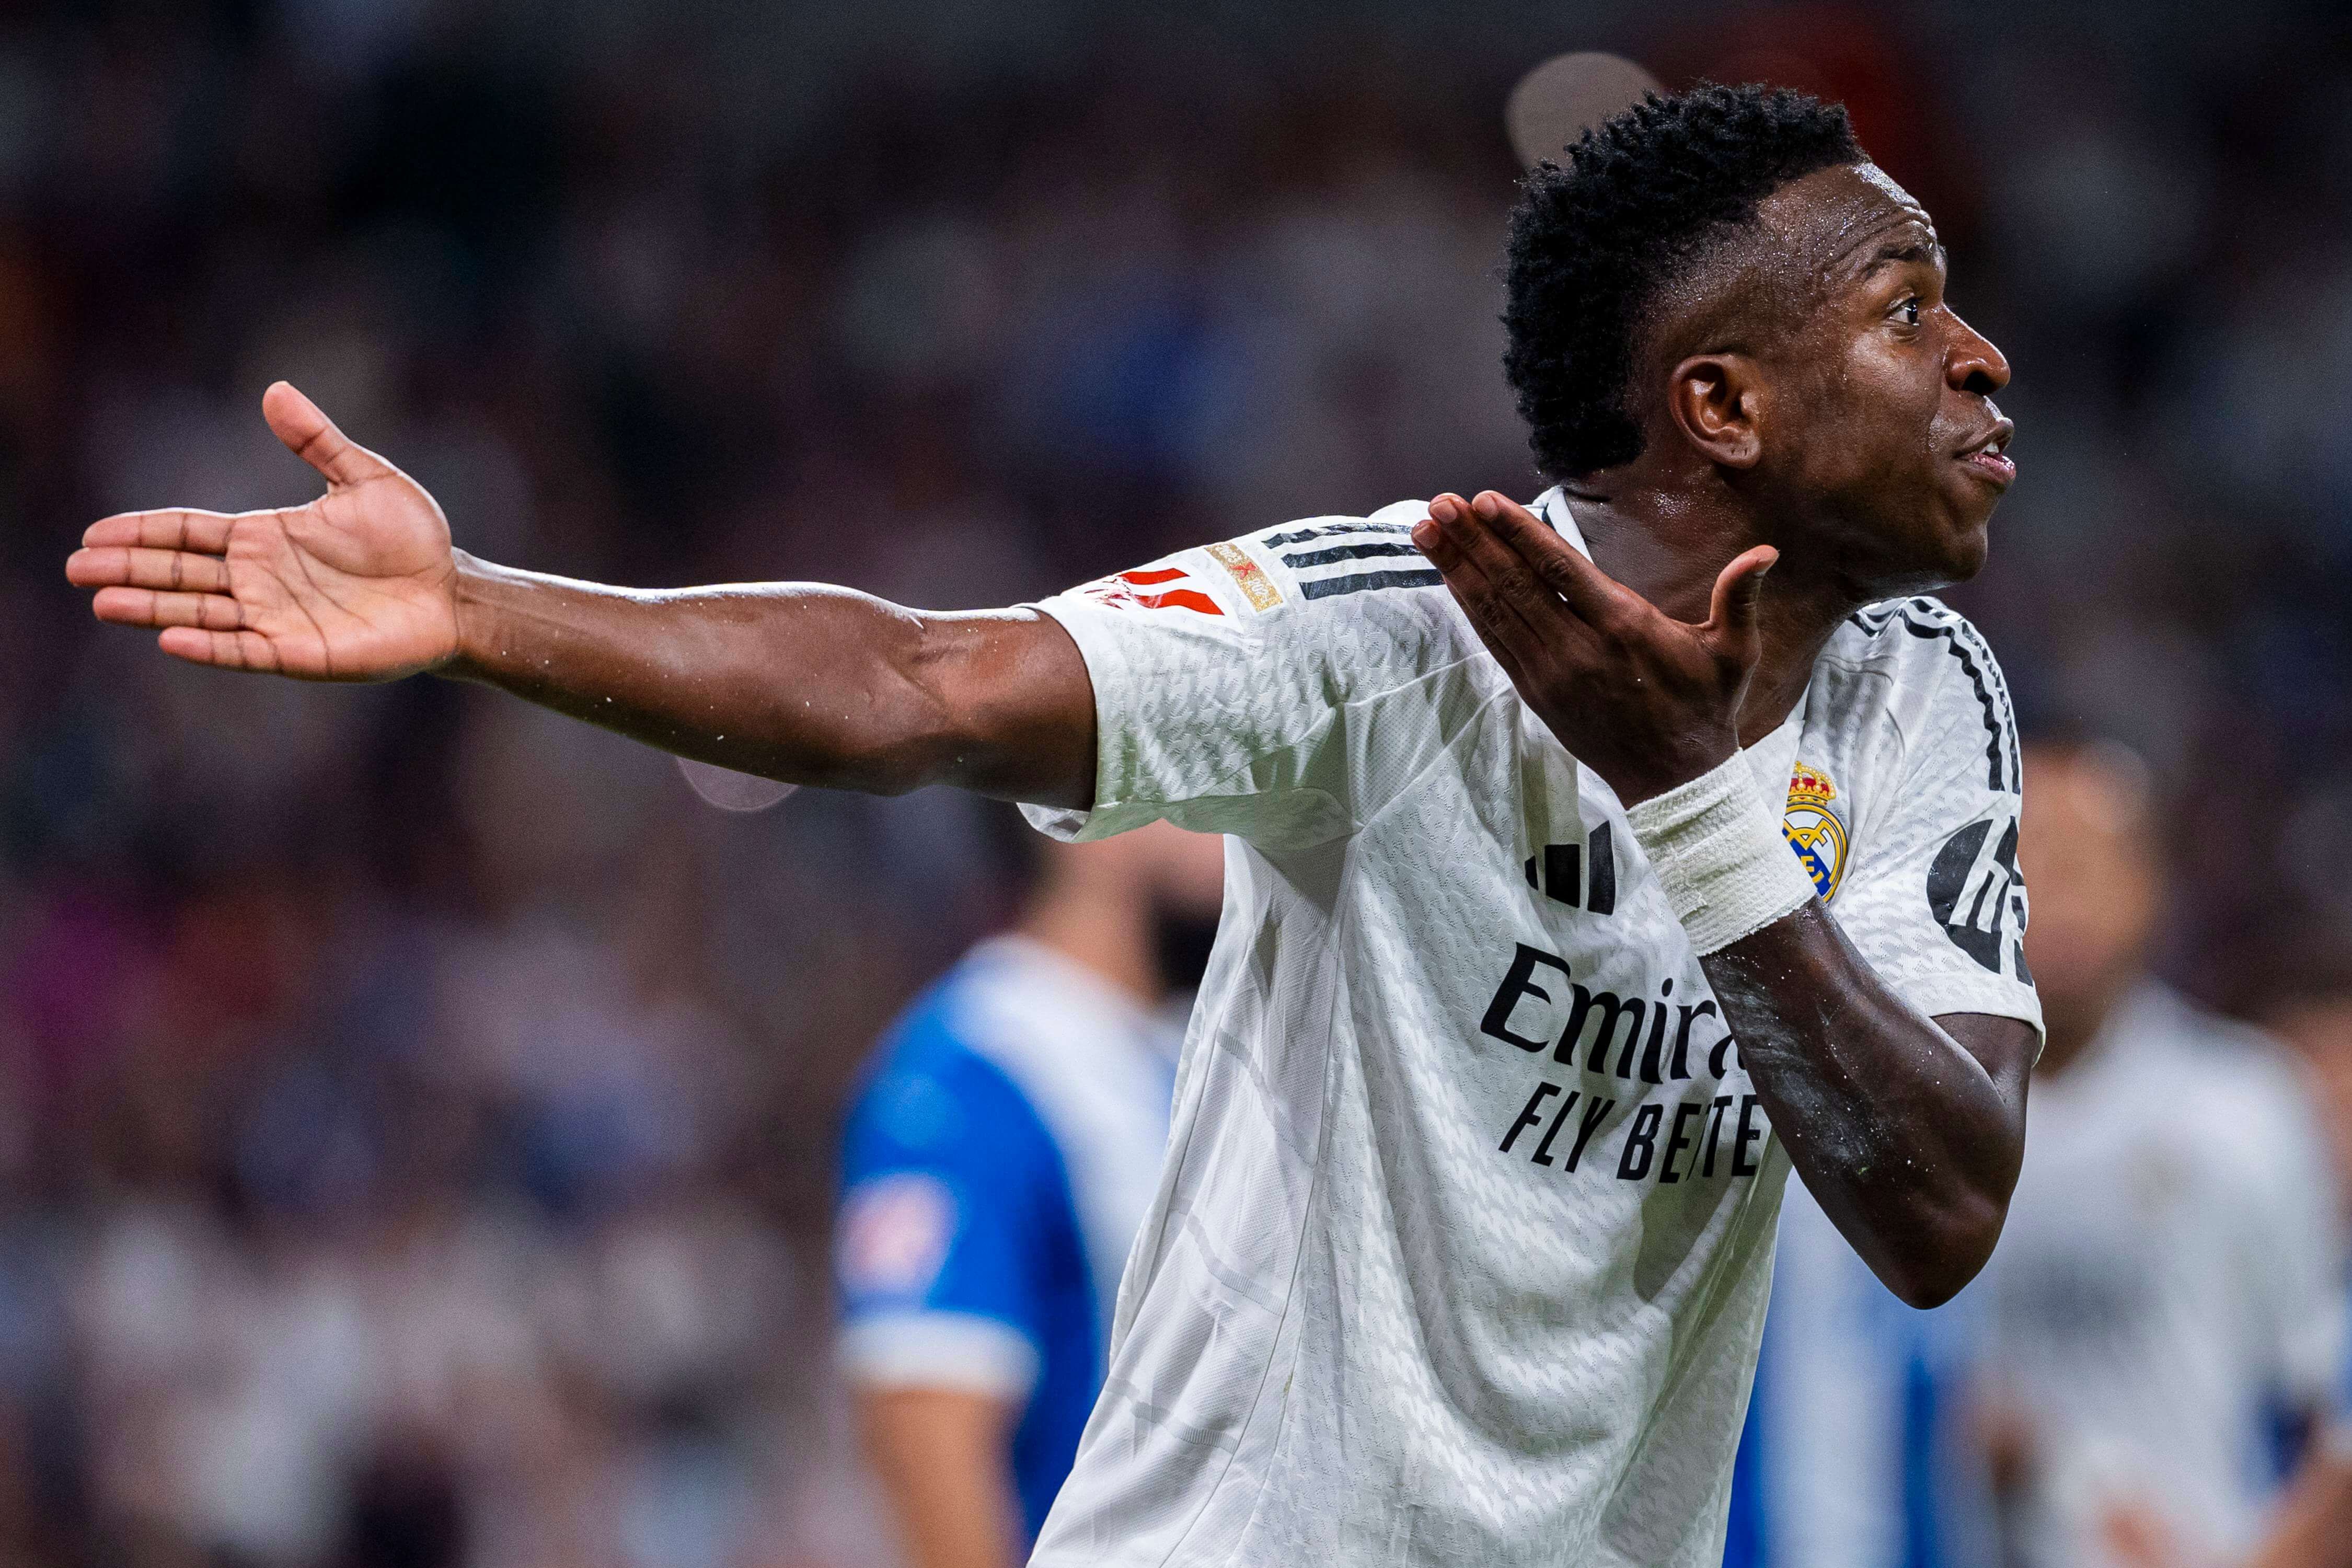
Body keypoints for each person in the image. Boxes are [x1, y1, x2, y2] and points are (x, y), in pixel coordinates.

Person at [67, 84, 2042, 1565]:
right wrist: (479, 606)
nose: (1981, 355)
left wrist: (1692, 808)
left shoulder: (1923, 694)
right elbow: (919, 686)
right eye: (1907, 309)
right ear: (1720, 402)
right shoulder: (1401, 630)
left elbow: (1941, 1208)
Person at [1728, 740, 2352, 1568]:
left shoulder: (2243, 1108)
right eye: (2026, 861)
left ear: (2153, 883)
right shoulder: (1892, 1124)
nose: (2056, 894)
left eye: (2088, 860)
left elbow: (2330, 1407)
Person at [837, 821, 1222, 1568]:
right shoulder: (966, 1075)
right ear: (1099, 819)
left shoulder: (1191, 1047)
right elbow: (927, 1428)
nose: (1238, 825)